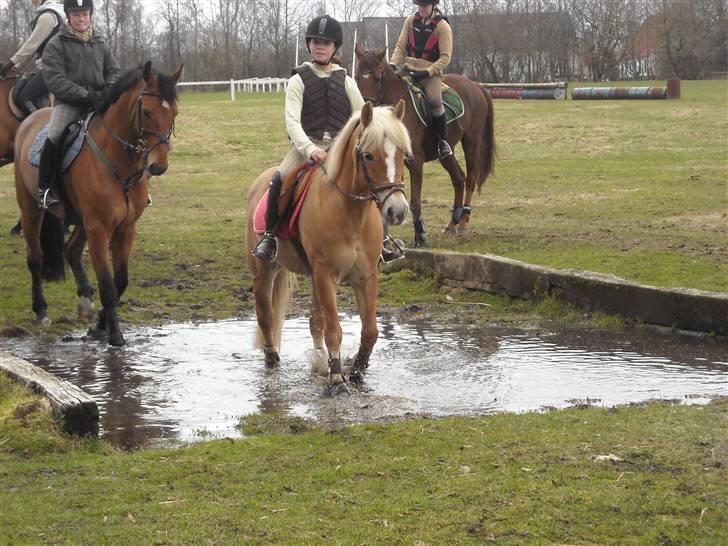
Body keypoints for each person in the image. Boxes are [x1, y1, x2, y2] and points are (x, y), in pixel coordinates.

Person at [252, 14, 365, 261]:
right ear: (308, 44)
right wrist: (309, 149)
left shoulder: (346, 81)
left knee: (369, 179)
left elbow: (361, 115)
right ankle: (269, 237)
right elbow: (292, 122)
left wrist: (345, 145)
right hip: (305, 147)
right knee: (279, 179)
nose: (320, 46)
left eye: (325, 42)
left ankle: (382, 240)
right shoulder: (297, 80)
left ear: (335, 47)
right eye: (315, 41)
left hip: (339, 147)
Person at [36, 0, 119, 208]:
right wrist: (85, 95)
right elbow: (56, 80)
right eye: (76, 15)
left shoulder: (100, 42)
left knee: (125, 131)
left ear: (90, 14)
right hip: (70, 103)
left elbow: (114, 71)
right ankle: (45, 188)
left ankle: (134, 185)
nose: (81, 19)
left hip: (100, 101)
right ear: (68, 17)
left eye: (84, 14)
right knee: (54, 135)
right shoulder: (56, 44)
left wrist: (108, 90)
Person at [390, 0, 453, 159]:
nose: (422, 9)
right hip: (408, 67)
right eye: (420, 6)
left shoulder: (442, 26)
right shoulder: (410, 21)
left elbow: (445, 57)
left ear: (433, 5)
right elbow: (400, 47)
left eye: (425, 6)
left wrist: (427, 72)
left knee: (434, 102)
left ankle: (443, 142)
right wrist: (392, 64)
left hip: (430, 72)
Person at [0, 0, 65, 113]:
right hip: (54, 66)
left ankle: (41, 128)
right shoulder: (55, 12)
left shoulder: (47, 16)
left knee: (24, 98)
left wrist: (11, 64)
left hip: (54, 68)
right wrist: (15, 67)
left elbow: (32, 46)